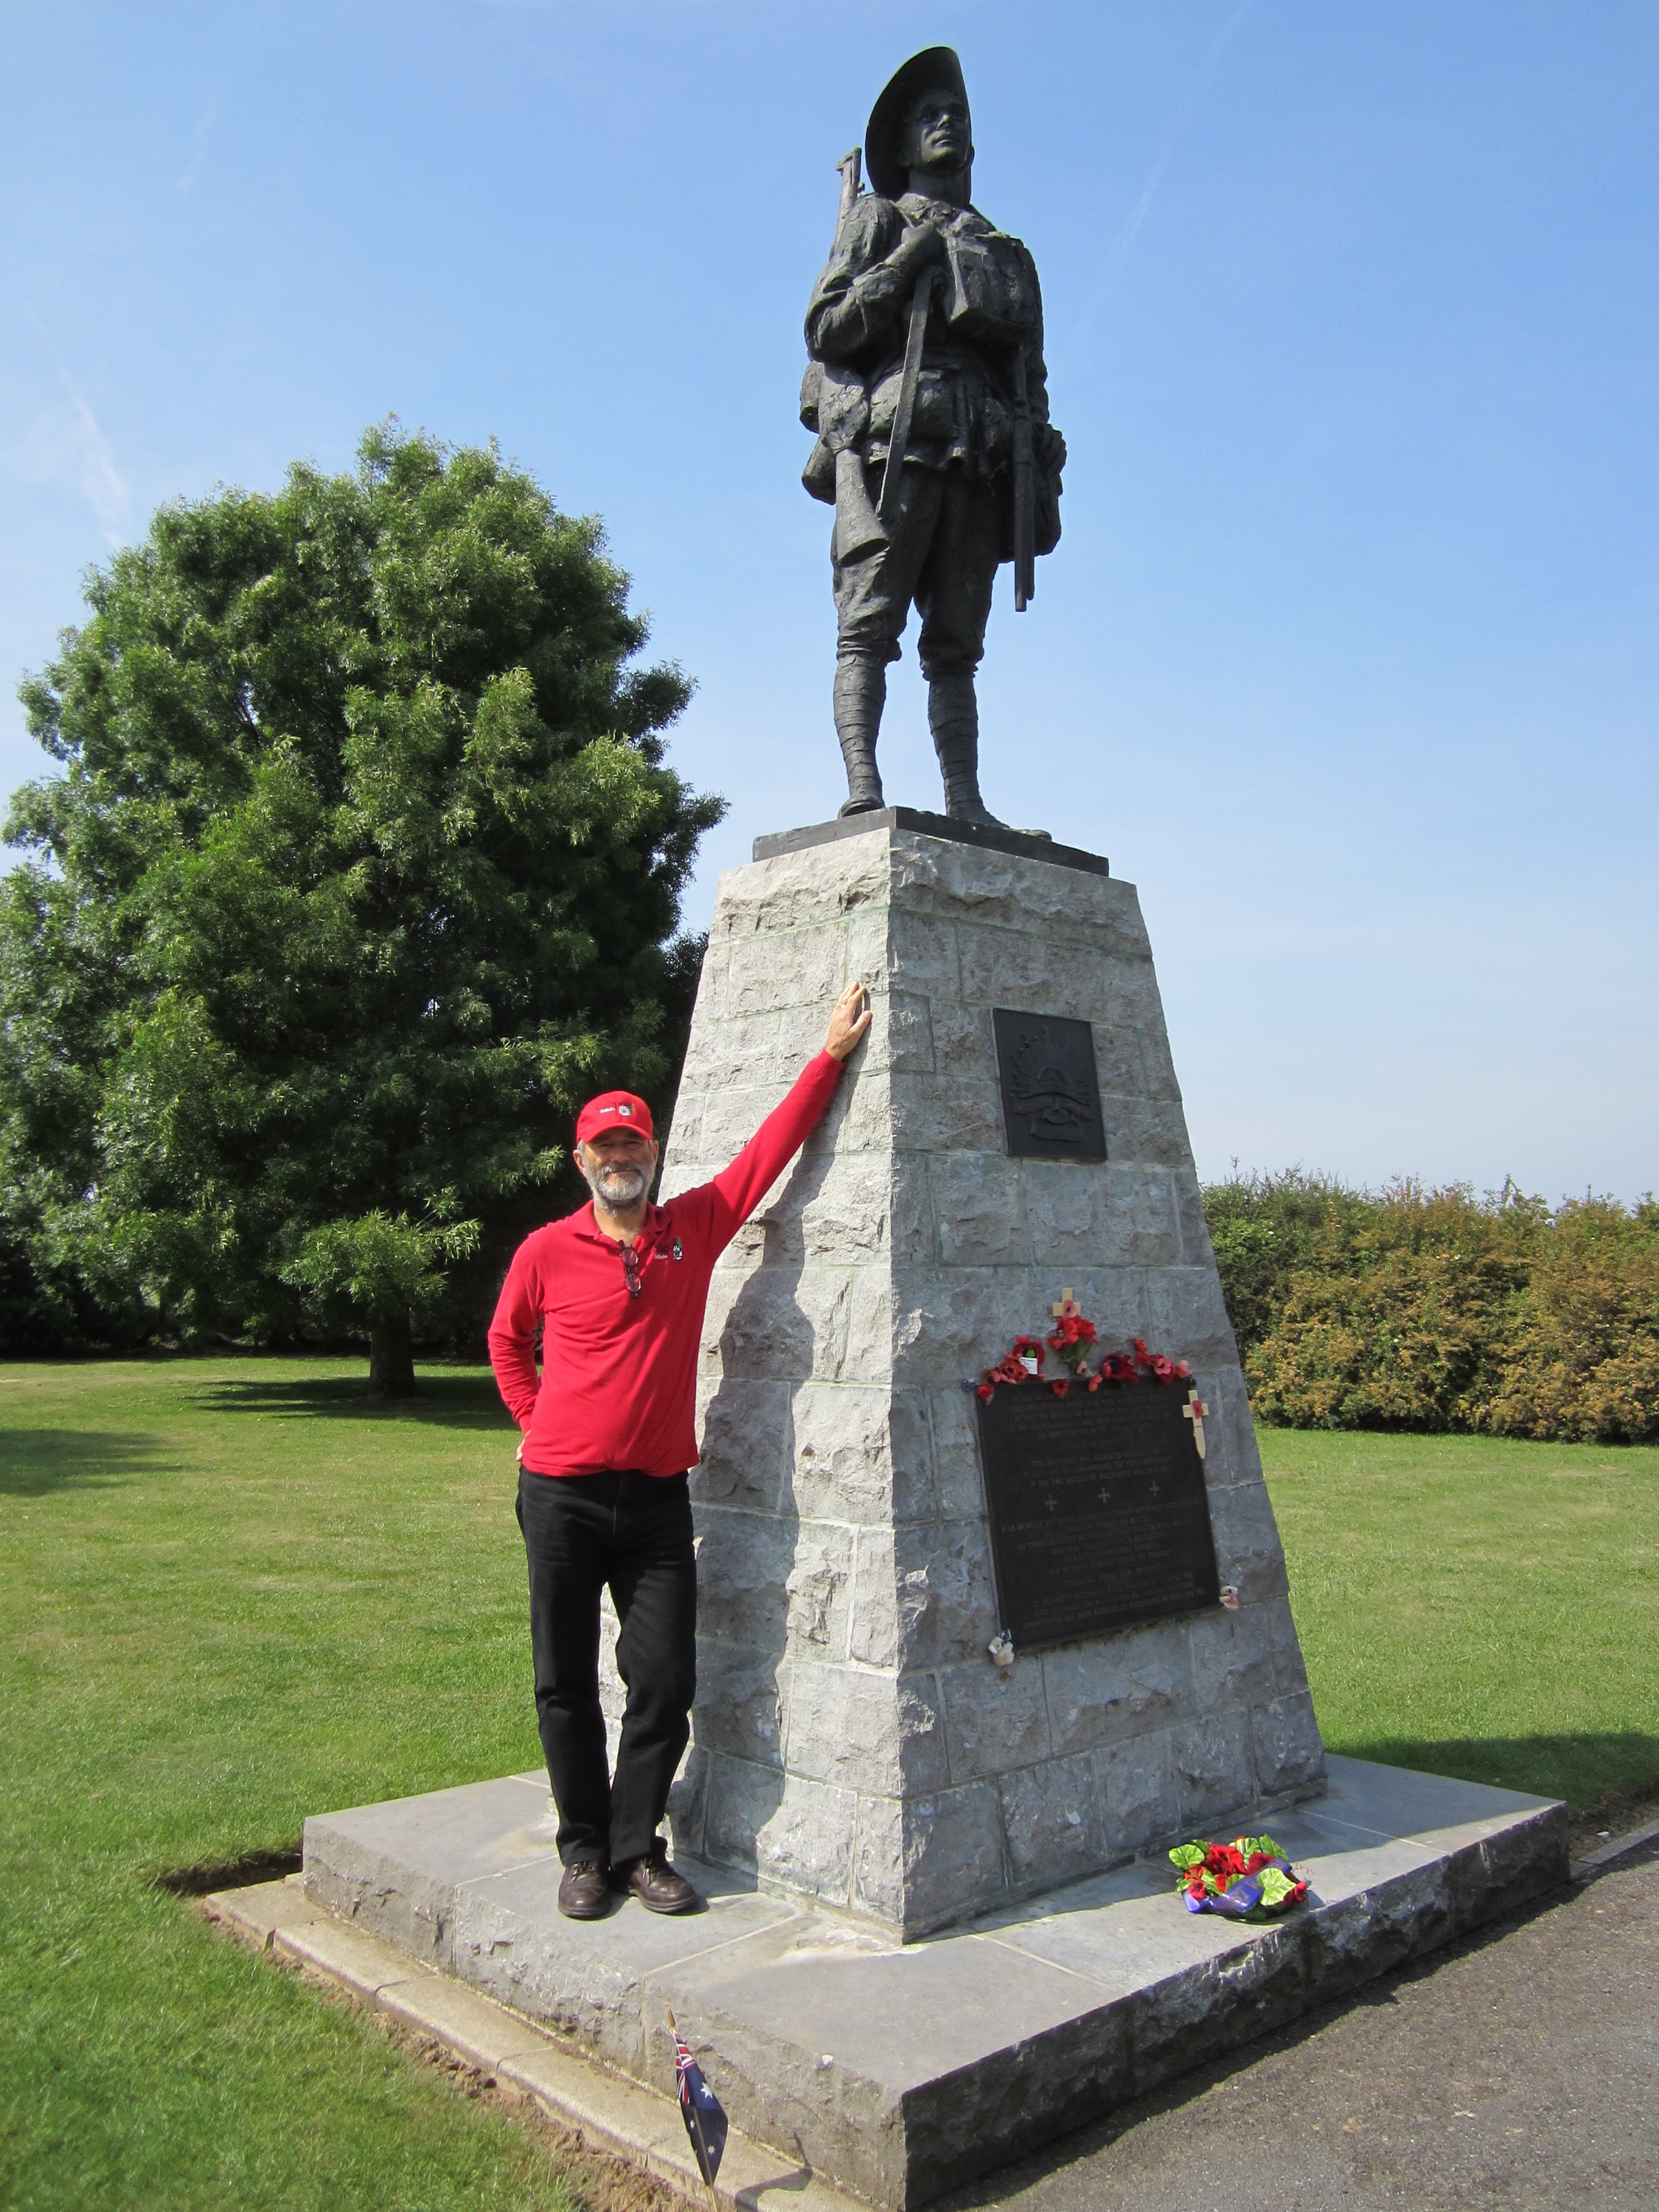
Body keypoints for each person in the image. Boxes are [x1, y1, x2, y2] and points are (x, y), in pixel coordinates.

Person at [487, 981, 872, 1920]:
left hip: (658, 1499)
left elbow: (765, 1158)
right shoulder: (546, 1249)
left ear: (651, 1153)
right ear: (581, 1159)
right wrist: (534, 1424)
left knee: (663, 1680)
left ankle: (635, 1850)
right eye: (605, 1147)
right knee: (565, 1681)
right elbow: (505, 1340)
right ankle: (584, 1852)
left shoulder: (690, 1229)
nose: (619, 1158)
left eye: (633, 1145)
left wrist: (827, 1058)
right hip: (561, 1496)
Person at [799, 45, 1066, 824]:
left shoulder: (1006, 253)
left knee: (956, 647)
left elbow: (1030, 373)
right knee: (868, 627)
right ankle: (864, 786)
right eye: (930, 115)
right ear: (905, 143)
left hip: (982, 453)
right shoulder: (879, 220)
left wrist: (1041, 442)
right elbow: (827, 329)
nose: (947, 122)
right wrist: (905, 261)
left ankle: (966, 802)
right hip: (894, 440)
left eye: (958, 114)